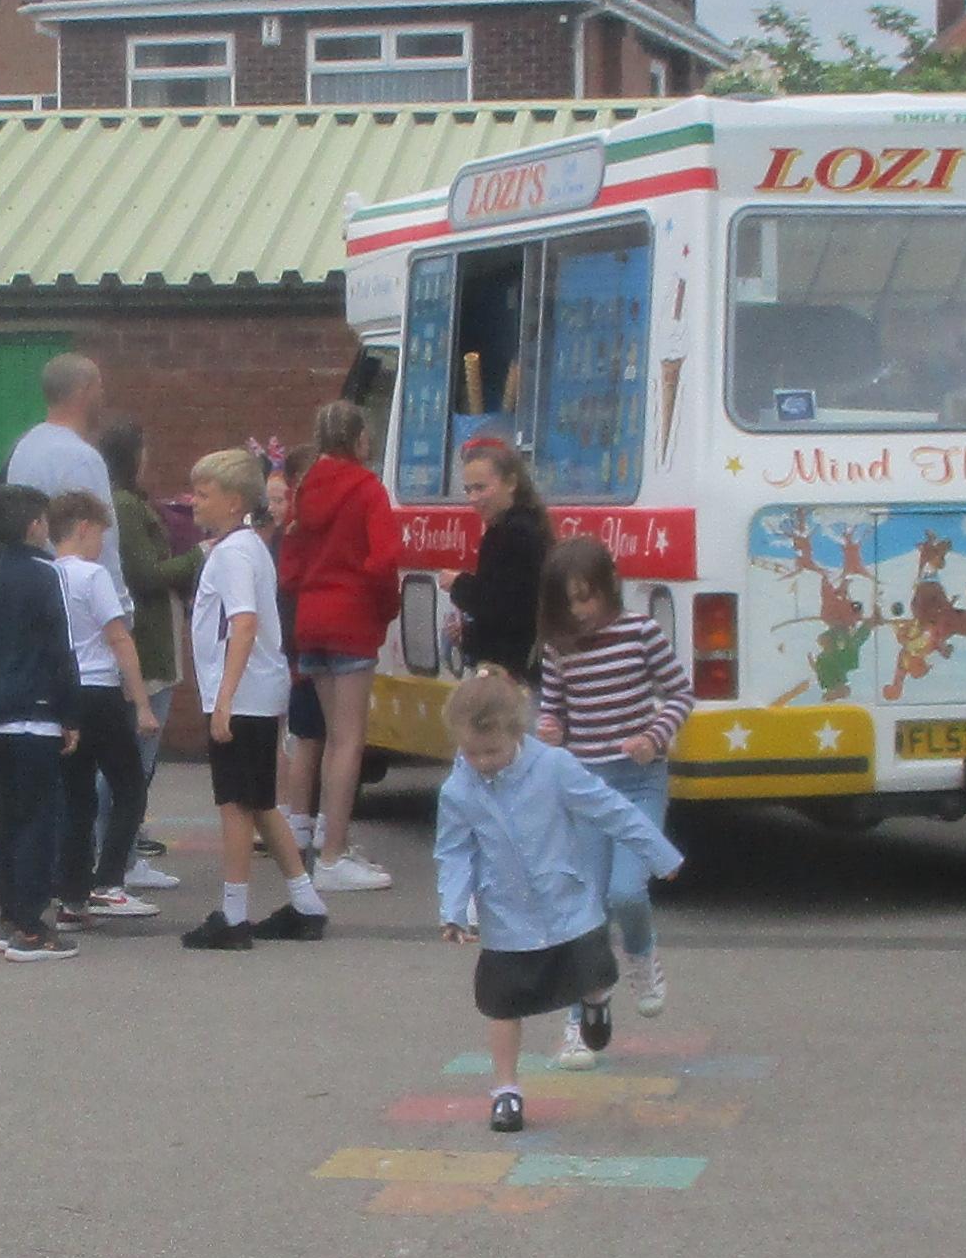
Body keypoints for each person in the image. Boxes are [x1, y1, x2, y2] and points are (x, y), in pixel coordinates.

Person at [435, 664, 684, 1135]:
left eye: (492, 751)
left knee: (592, 972)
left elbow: (610, 809)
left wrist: (657, 852)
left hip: (567, 901)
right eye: (471, 752)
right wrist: (453, 908)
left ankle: (595, 1002)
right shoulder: (458, 789)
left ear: (518, 734)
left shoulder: (553, 767)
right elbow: (453, 852)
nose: (482, 762)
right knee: (501, 1004)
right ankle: (506, 1091)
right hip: (505, 914)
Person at [532, 532, 688, 1039]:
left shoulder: (641, 632)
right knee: (588, 903)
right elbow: (553, 709)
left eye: (587, 597)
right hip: (587, 788)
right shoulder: (559, 649)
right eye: (568, 602)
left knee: (627, 891)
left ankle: (641, 953)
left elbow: (680, 694)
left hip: (639, 781)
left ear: (609, 586)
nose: (580, 611)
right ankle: (581, 1012)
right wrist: (549, 728)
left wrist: (653, 736)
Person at [175, 450, 329, 952]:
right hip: (257, 692)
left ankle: (234, 913)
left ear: (234, 501)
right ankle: (306, 902)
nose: (194, 502)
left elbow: (243, 623)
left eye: (204, 494)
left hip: (241, 696)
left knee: (235, 803)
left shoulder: (233, 554)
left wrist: (223, 699)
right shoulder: (248, 546)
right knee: (261, 802)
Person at [278, 396, 403, 890]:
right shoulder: (367, 488)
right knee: (350, 740)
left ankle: (328, 844)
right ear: (359, 438)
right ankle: (332, 854)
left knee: (330, 738)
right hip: (351, 617)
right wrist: (385, 608)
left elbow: (290, 567)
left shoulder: (304, 488)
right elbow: (384, 558)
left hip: (311, 617)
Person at [0, 481, 81, 960]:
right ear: (36, 526)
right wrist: (70, 712)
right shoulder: (49, 574)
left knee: (4, 821)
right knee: (38, 820)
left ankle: (9, 916)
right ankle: (32, 928)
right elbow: (61, 647)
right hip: (35, 715)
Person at [44, 487, 156, 922]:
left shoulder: (47, 576)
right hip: (100, 690)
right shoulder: (93, 577)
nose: (100, 546)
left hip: (65, 694)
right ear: (83, 528)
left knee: (76, 797)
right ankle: (109, 881)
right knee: (130, 786)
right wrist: (142, 702)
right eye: (100, 536)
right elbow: (118, 637)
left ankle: (71, 894)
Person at [98, 419, 193, 894]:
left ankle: (119, 852)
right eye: (144, 450)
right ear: (131, 456)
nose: (149, 459)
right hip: (149, 651)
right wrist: (200, 555)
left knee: (132, 764)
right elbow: (145, 573)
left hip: (155, 647)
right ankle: (120, 859)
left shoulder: (126, 504)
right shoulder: (125, 507)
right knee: (133, 764)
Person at [449, 429, 556, 684]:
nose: (473, 499)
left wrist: (457, 584)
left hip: (511, 673)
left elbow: (502, 611)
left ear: (510, 483)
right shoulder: (528, 525)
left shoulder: (510, 534)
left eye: (481, 488)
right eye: (468, 490)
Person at [4, 351, 117, 518]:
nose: (102, 396)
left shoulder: (25, 447)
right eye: (99, 387)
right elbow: (98, 532)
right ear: (83, 390)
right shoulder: (81, 458)